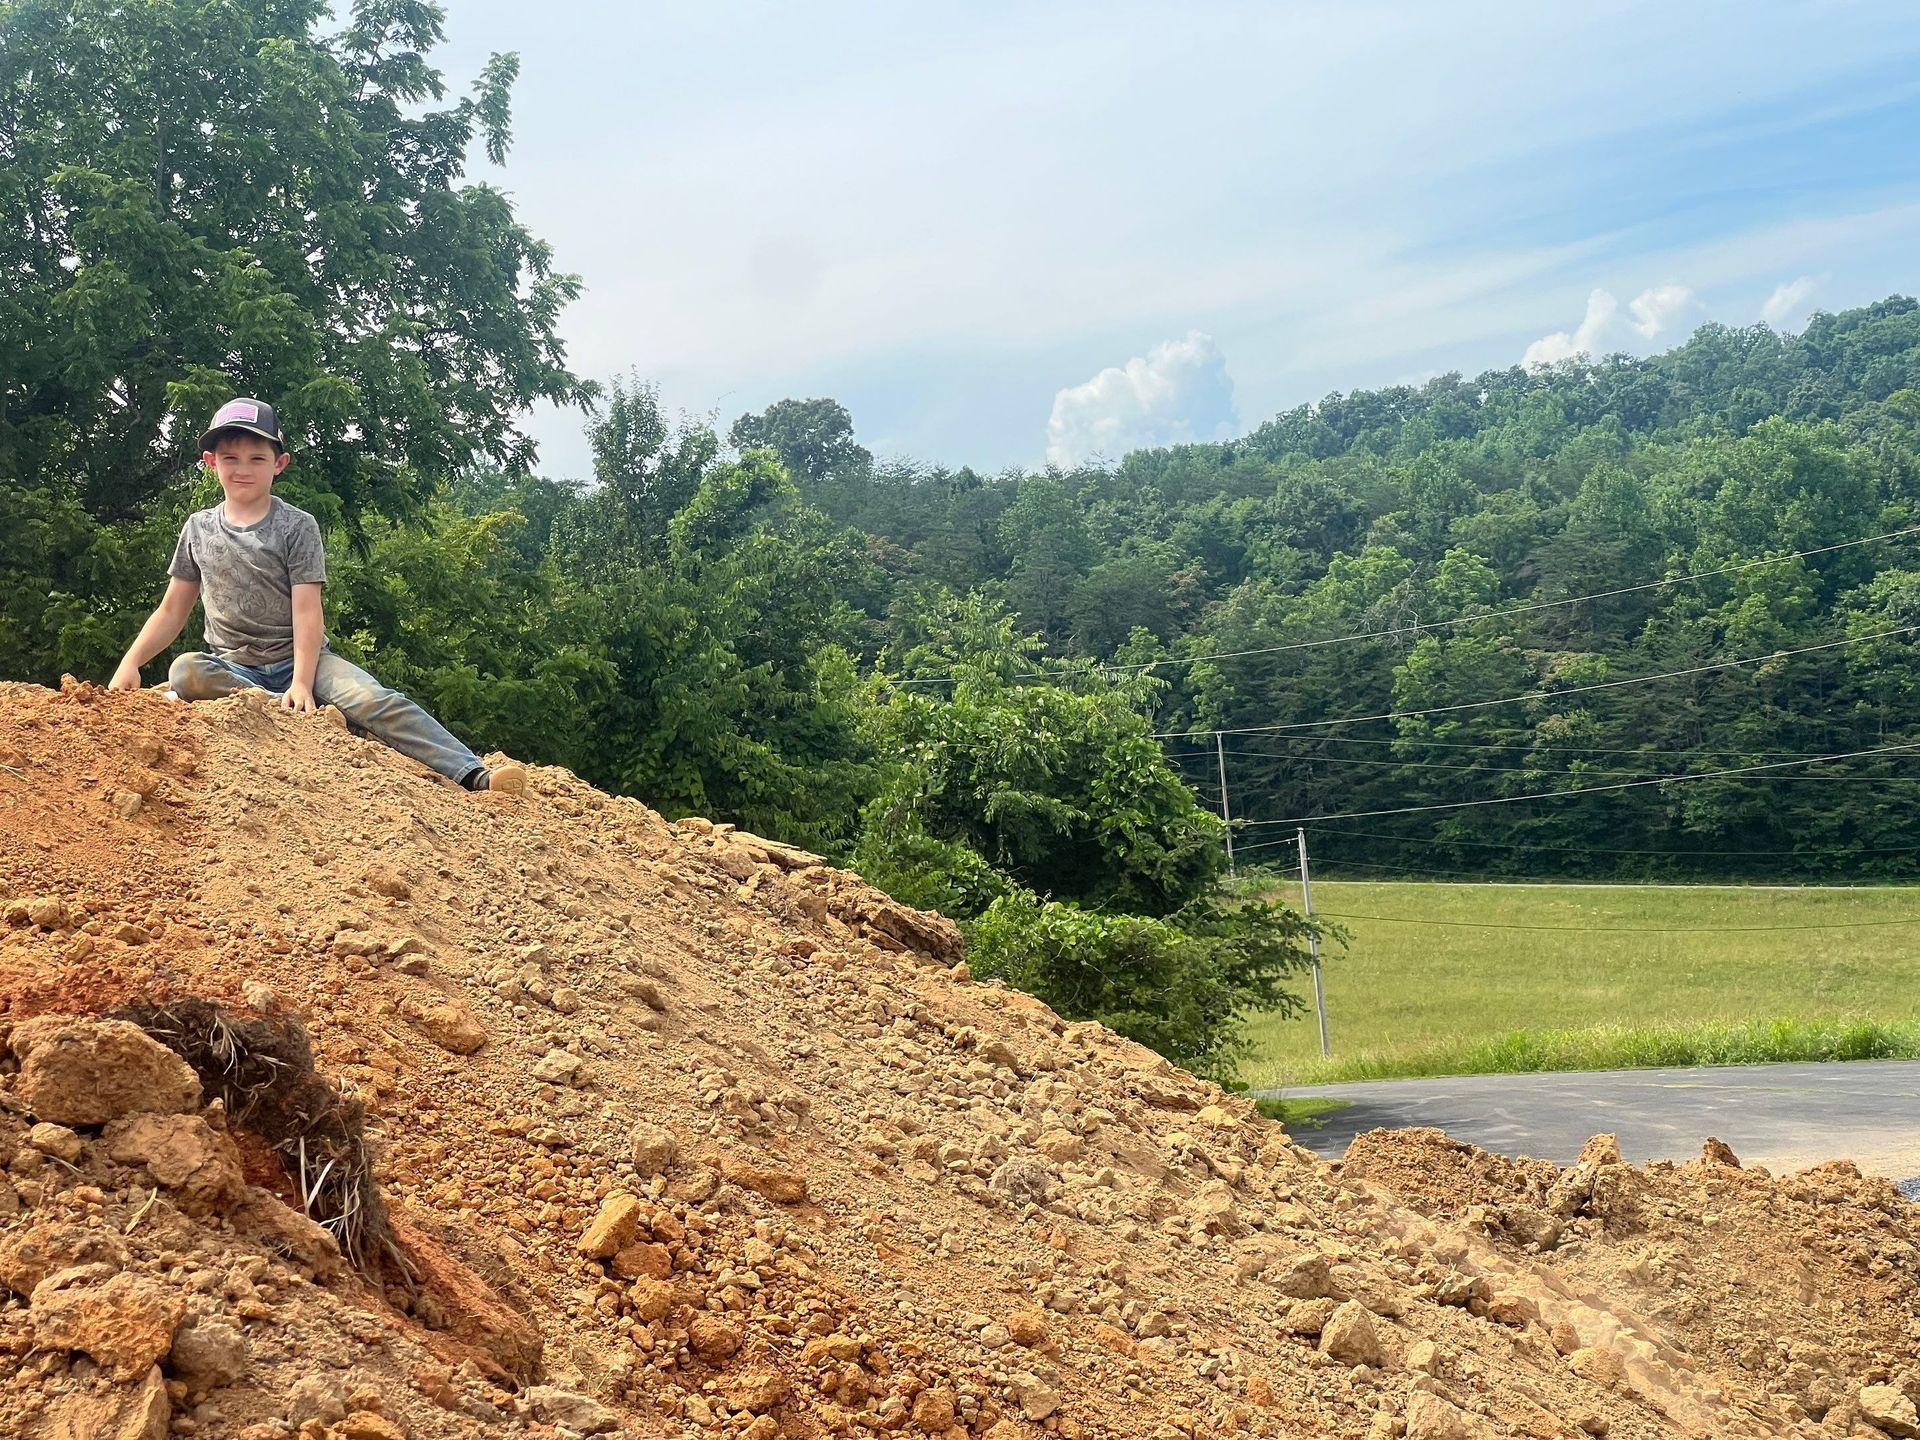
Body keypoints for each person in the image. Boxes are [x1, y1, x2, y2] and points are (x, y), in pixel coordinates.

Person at [108, 397, 527, 794]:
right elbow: (172, 609)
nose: (243, 469)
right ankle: (305, 712)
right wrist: (130, 662)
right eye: (231, 459)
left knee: (376, 700)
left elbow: (308, 612)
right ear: (211, 462)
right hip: (236, 668)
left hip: (306, 660)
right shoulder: (198, 528)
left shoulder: (297, 526)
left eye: (257, 458)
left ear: (279, 464)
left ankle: (474, 773)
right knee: (186, 670)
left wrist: (302, 682)